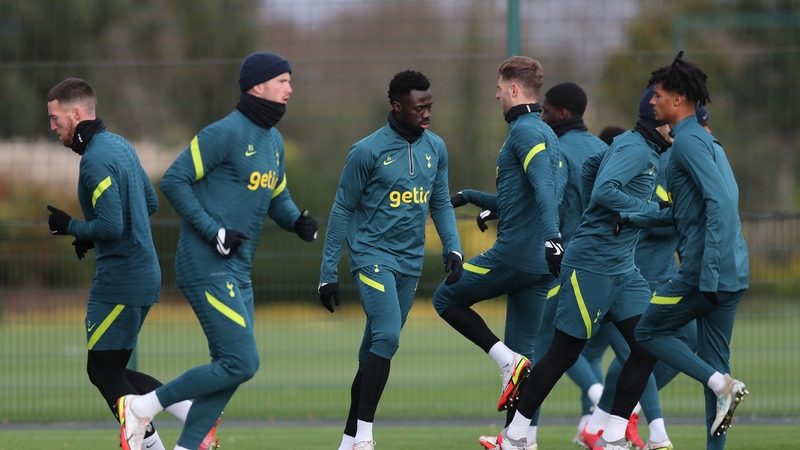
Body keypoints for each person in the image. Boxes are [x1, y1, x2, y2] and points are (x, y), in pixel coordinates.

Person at [117, 51, 318, 450]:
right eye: (282, 81)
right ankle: (142, 408)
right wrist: (214, 232)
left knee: (232, 367)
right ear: (257, 86)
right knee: (243, 362)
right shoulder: (224, 132)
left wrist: (296, 221)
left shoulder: (274, 141)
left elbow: (277, 195)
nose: (290, 88)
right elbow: (173, 180)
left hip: (238, 271)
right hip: (206, 265)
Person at [497, 83, 672, 450]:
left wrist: (618, 213)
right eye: (675, 121)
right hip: (591, 264)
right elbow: (606, 191)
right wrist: (646, 212)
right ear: (658, 119)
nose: (678, 128)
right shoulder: (635, 148)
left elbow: (594, 167)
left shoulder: (641, 148)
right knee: (562, 353)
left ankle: (613, 438)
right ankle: (513, 437)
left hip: (623, 269)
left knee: (647, 346)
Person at [45, 78, 199, 450]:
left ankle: (191, 420)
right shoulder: (119, 146)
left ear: (75, 113)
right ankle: (192, 414)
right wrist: (88, 235)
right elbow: (148, 203)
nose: (52, 127)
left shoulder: (95, 159)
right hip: (142, 274)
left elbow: (112, 225)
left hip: (120, 279)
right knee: (110, 371)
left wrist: (71, 227)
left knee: (102, 371)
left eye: (54, 118)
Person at [318, 70, 462, 450]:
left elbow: (441, 202)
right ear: (398, 107)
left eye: (430, 105)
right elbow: (341, 209)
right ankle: (365, 437)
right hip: (371, 257)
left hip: (410, 264)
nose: (427, 113)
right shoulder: (366, 151)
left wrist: (454, 247)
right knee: (388, 335)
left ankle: (348, 441)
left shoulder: (437, 148)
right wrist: (327, 272)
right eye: (419, 108)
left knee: (373, 352)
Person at [434, 56, 563, 450]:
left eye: (498, 86)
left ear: (512, 89)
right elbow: (523, 196)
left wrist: (553, 236)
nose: (494, 94)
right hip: (540, 266)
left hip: (516, 256)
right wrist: (471, 197)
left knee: (445, 297)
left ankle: (505, 362)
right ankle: (516, 439)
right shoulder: (545, 133)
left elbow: (542, 187)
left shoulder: (524, 133)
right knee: (523, 355)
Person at [628, 56, 749, 450]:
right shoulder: (706, 139)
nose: (653, 102)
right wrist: (633, 218)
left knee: (645, 331)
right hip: (730, 272)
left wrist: (709, 269)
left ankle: (721, 384)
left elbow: (721, 200)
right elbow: (688, 211)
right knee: (715, 367)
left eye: (659, 95)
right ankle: (720, 387)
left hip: (703, 273)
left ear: (679, 99)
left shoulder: (687, 143)